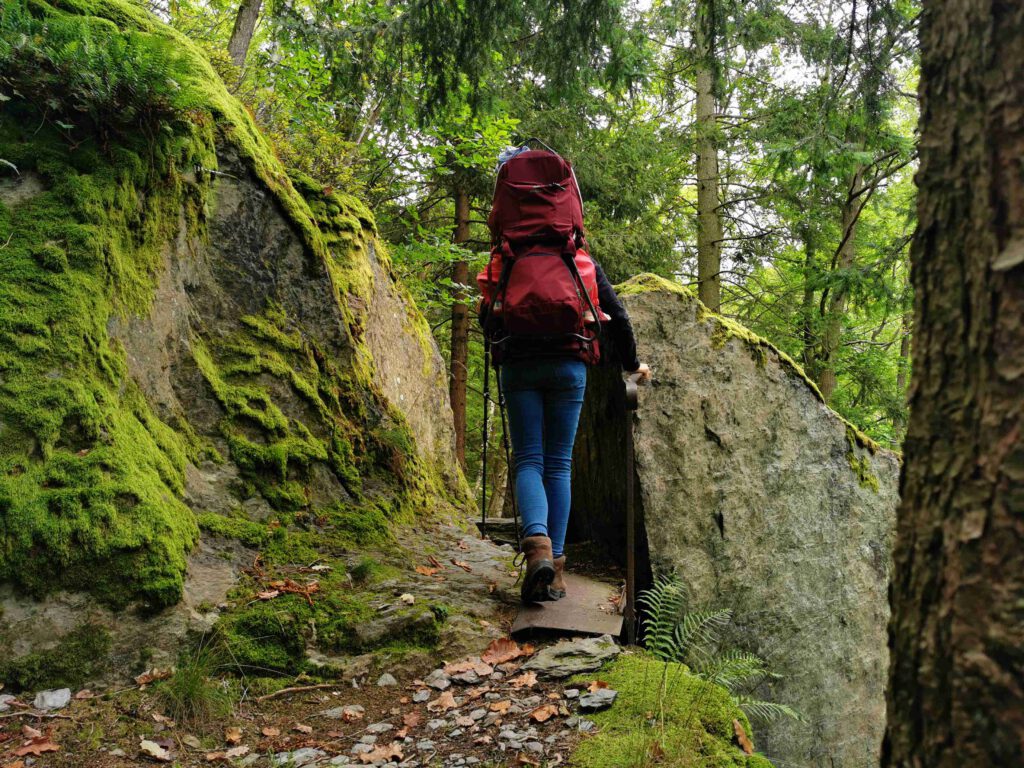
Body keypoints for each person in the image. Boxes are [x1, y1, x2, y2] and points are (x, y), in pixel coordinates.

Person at [499, 261, 651, 603]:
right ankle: (555, 571)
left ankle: (537, 548)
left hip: (519, 363)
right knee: (558, 464)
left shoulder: (509, 254)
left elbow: (488, 312)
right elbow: (619, 318)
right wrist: (631, 364)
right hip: (569, 363)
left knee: (528, 461)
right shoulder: (580, 261)